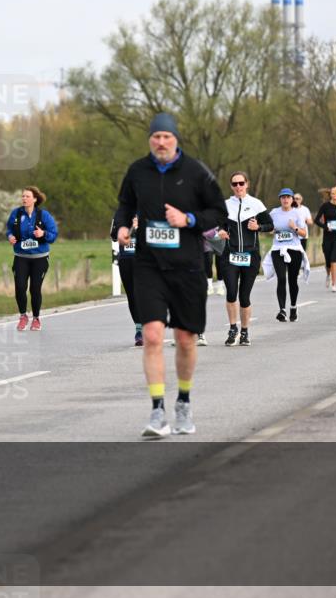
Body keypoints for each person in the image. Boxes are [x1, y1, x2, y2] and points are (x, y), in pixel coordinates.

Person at [112, 113, 227, 438]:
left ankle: (184, 402)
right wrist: (122, 225)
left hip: (188, 266)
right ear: (150, 139)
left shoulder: (195, 172)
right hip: (149, 265)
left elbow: (218, 211)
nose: (161, 142)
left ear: (176, 139)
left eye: (166, 136)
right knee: (151, 335)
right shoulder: (137, 171)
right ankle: (157, 410)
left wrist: (189, 219)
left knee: (186, 340)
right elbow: (124, 204)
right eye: (156, 137)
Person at [218, 171, 273, 346]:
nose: (238, 187)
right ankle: (233, 328)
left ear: (247, 184)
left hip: (250, 256)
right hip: (230, 255)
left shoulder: (256, 204)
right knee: (231, 293)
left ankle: (245, 332)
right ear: (231, 187)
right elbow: (217, 223)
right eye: (235, 184)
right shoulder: (226, 205)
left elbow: (271, 225)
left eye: (241, 183)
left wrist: (259, 227)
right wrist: (220, 230)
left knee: (245, 297)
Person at [6, 186, 58, 331]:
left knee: (35, 289)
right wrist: (10, 236)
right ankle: (23, 316)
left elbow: (53, 235)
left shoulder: (44, 215)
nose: (24, 199)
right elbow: (9, 229)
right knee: (20, 287)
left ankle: (36, 318)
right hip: (21, 257)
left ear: (35, 199)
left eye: (27, 196)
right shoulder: (16, 214)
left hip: (39, 258)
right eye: (23, 196)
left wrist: (43, 234)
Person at [263, 188, 309, 322]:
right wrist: (271, 230)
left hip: (294, 249)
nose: (285, 199)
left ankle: (293, 307)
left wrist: (294, 227)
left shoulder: (297, 213)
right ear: (280, 199)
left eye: (288, 197)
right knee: (281, 278)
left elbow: (304, 234)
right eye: (283, 197)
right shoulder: (274, 213)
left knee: (292, 280)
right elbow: (268, 227)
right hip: (278, 249)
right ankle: (282, 310)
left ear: (292, 199)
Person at [112, 216, 142, 346]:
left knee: (144, 294)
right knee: (132, 295)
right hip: (125, 260)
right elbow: (113, 236)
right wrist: (124, 228)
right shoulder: (121, 215)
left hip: (144, 260)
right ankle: (139, 329)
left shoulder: (148, 210)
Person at [314, 186, 336, 292]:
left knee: (334, 259)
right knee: (328, 261)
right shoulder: (325, 206)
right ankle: (328, 275)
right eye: (333, 193)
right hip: (327, 237)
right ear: (331, 195)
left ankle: (334, 284)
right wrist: (326, 227)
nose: (335, 195)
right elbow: (316, 220)